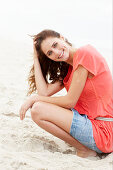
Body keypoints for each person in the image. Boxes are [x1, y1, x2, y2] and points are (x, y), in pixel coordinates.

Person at [19, 29, 113, 158]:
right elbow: (44, 92)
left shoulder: (85, 54)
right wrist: (36, 57)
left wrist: (34, 99)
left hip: (103, 131)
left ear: (62, 38)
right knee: (37, 108)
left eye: (55, 44)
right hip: (90, 125)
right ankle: (83, 148)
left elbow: (70, 101)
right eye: (50, 53)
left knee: (38, 109)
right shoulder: (69, 68)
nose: (56, 52)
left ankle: (84, 150)